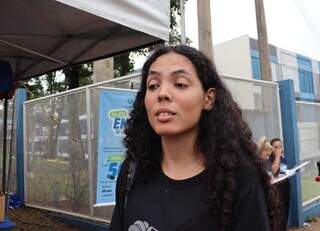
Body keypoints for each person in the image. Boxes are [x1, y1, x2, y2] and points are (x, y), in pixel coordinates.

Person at [110, 45, 280, 231]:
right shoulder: (131, 172)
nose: (162, 93)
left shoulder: (239, 180)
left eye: (180, 84)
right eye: (153, 85)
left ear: (208, 99)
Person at [270, 138, 290, 231]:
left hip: (285, 185)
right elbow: (274, 171)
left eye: (280, 146)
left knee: (286, 210)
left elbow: (284, 171)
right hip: (276, 188)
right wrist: (277, 157)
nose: (278, 149)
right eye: (276, 147)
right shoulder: (270, 159)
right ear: (272, 149)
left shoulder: (283, 158)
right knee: (279, 213)